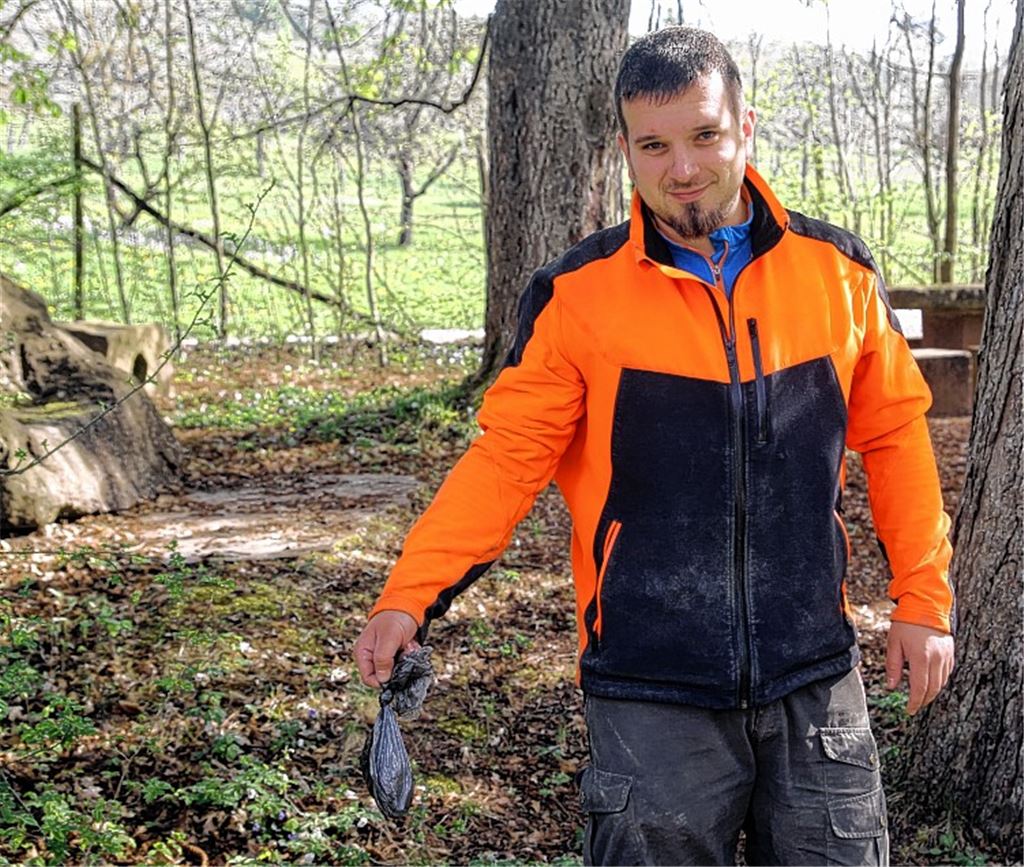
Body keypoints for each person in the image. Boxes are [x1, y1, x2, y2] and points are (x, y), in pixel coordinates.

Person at [354, 26, 955, 866]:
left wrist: (923, 599)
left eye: (705, 135)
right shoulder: (575, 296)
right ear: (626, 151)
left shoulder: (838, 273)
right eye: (655, 145)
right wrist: (408, 595)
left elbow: (895, 435)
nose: (683, 169)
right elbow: (505, 458)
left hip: (815, 674)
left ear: (746, 126)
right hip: (649, 692)